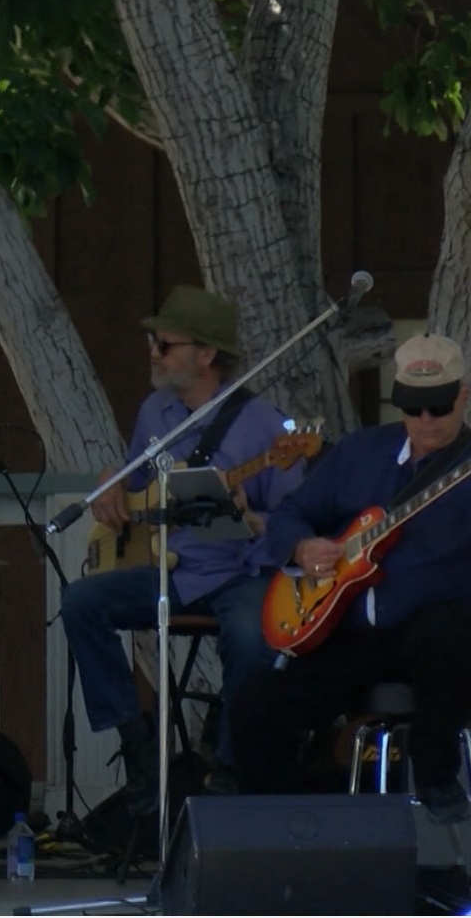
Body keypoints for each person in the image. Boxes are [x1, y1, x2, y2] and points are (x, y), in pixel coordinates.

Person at [232, 333, 471, 822]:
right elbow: (291, 514)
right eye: (414, 406)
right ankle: (278, 834)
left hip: (435, 633)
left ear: (464, 396)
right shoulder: (361, 451)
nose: (425, 420)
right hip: (349, 633)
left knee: (460, 631)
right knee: (260, 701)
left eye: (439, 406)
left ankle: (437, 772)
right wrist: (302, 546)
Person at [60, 284, 301, 812]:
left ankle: (232, 766)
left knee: (249, 633)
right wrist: (113, 482)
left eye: (164, 344)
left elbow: (295, 521)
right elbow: (140, 476)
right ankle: (137, 748)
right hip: (173, 568)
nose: (152, 352)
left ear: (207, 354)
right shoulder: (156, 411)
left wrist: (252, 518)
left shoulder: (266, 426)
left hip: (241, 572)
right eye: (153, 341)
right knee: (81, 603)